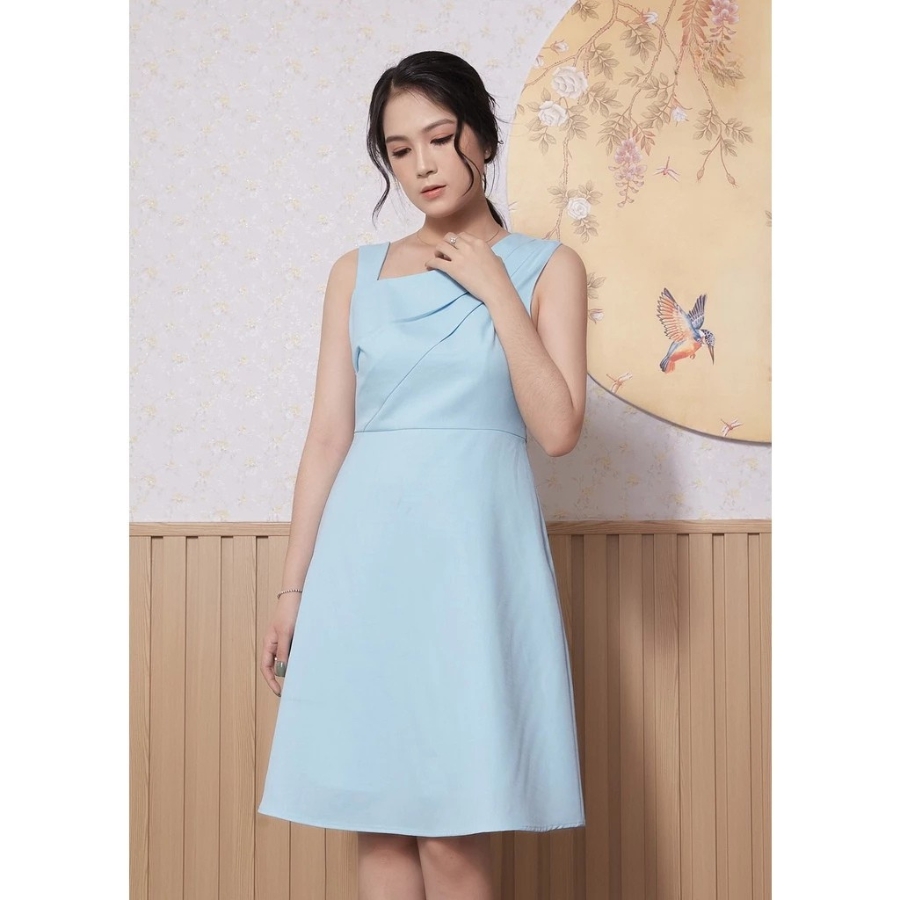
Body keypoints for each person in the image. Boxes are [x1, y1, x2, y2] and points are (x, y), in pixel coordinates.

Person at [258, 50, 588, 900]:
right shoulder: (355, 272)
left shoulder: (547, 267)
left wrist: (495, 288)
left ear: (483, 137)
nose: (424, 165)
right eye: (400, 150)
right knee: (380, 828)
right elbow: (327, 437)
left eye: (440, 138)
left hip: (471, 567)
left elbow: (558, 430)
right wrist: (293, 591)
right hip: (364, 564)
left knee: (452, 838)